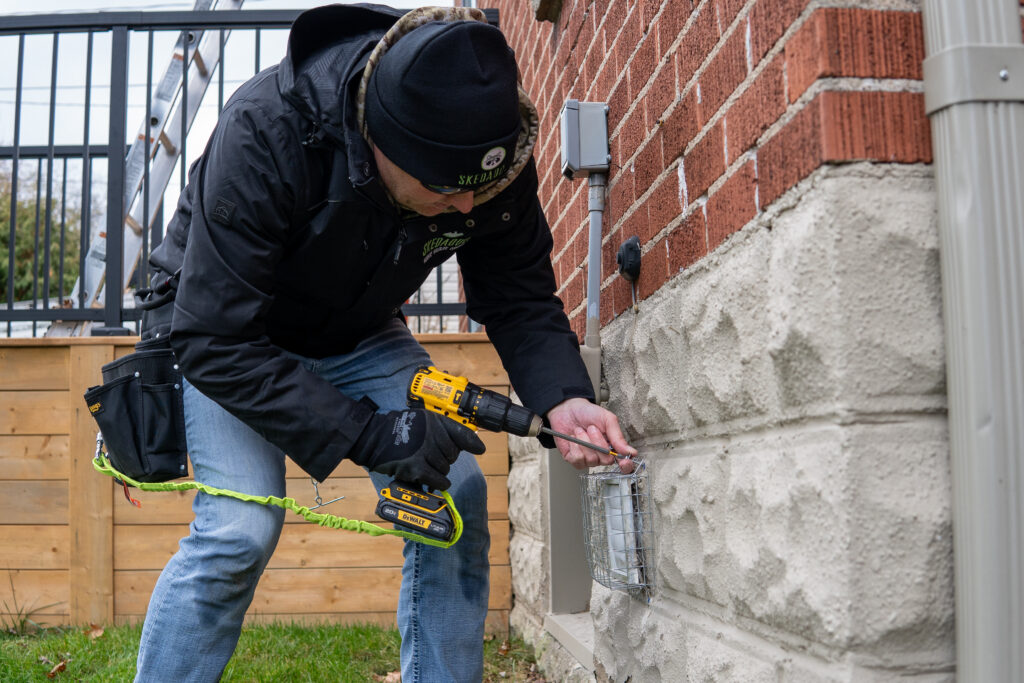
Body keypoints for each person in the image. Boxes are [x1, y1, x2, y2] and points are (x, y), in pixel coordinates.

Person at [136, 4, 636, 682]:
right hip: (231, 337)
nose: (468, 210)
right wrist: (373, 433)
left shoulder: (486, 158)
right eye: (445, 192)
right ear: (378, 141)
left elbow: (518, 292)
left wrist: (565, 394)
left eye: (480, 191)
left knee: (455, 498)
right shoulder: (267, 129)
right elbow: (215, 338)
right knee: (237, 532)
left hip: (357, 330)